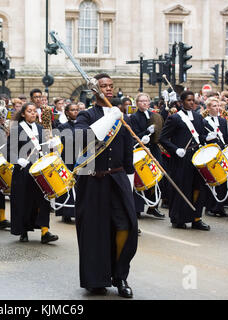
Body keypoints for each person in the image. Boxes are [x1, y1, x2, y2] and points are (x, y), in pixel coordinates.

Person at [73, 73, 137, 298]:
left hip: (117, 179)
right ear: (94, 90)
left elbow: (128, 154)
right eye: (103, 86)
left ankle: (120, 276)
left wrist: (130, 182)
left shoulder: (122, 118)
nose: (108, 89)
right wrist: (111, 118)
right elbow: (82, 139)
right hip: (92, 180)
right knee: (94, 232)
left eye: (110, 86)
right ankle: (96, 278)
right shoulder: (85, 115)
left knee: (125, 226)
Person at [8, 102, 59, 244]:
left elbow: (44, 149)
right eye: (29, 111)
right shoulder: (17, 129)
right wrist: (18, 160)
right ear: (23, 114)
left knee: (43, 200)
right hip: (23, 170)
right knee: (24, 201)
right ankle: (23, 231)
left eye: (34, 111)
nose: (32, 113)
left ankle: (45, 231)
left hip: (39, 169)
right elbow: (8, 151)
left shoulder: (40, 128)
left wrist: (51, 146)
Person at [159, 90, 211, 231]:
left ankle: (196, 219)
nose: (192, 103)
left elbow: (199, 137)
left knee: (198, 187)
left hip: (196, 157)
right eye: (189, 100)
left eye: (193, 100)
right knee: (182, 188)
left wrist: (207, 137)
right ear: (181, 102)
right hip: (181, 158)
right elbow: (162, 138)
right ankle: (178, 218)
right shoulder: (175, 118)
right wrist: (175, 149)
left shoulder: (198, 117)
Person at [129, 93, 166, 219]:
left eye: (146, 101)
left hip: (153, 149)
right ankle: (138, 208)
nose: (145, 103)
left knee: (157, 176)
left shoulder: (154, 115)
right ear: (137, 103)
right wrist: (144, 135)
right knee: (140, 179)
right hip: (140, 150)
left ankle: (153, 207)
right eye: (142, 101)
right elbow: (132, 135)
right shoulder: (133, 117)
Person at [202, 97, 228, 218]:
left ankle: (220, 207)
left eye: (219, 105)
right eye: (214, 106)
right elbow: (201, 137)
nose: (218, 108)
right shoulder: (204, 121)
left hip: (223, 153)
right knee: (214, 181)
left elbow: (225, 137)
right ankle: (210, 207)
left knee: (224, 180)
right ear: (208, 108)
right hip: (211, 154)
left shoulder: (223, 121)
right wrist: (207, 137)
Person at [55, 103, 79, 223]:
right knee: (67, 185)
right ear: (67, 113)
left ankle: (78, 211)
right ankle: (66, 212)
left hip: (80, 158)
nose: (75, 112)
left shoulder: (82, 126)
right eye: (72, 110)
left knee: (79, 185)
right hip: (67, 159)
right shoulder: (62, 127)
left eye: (77, 110)